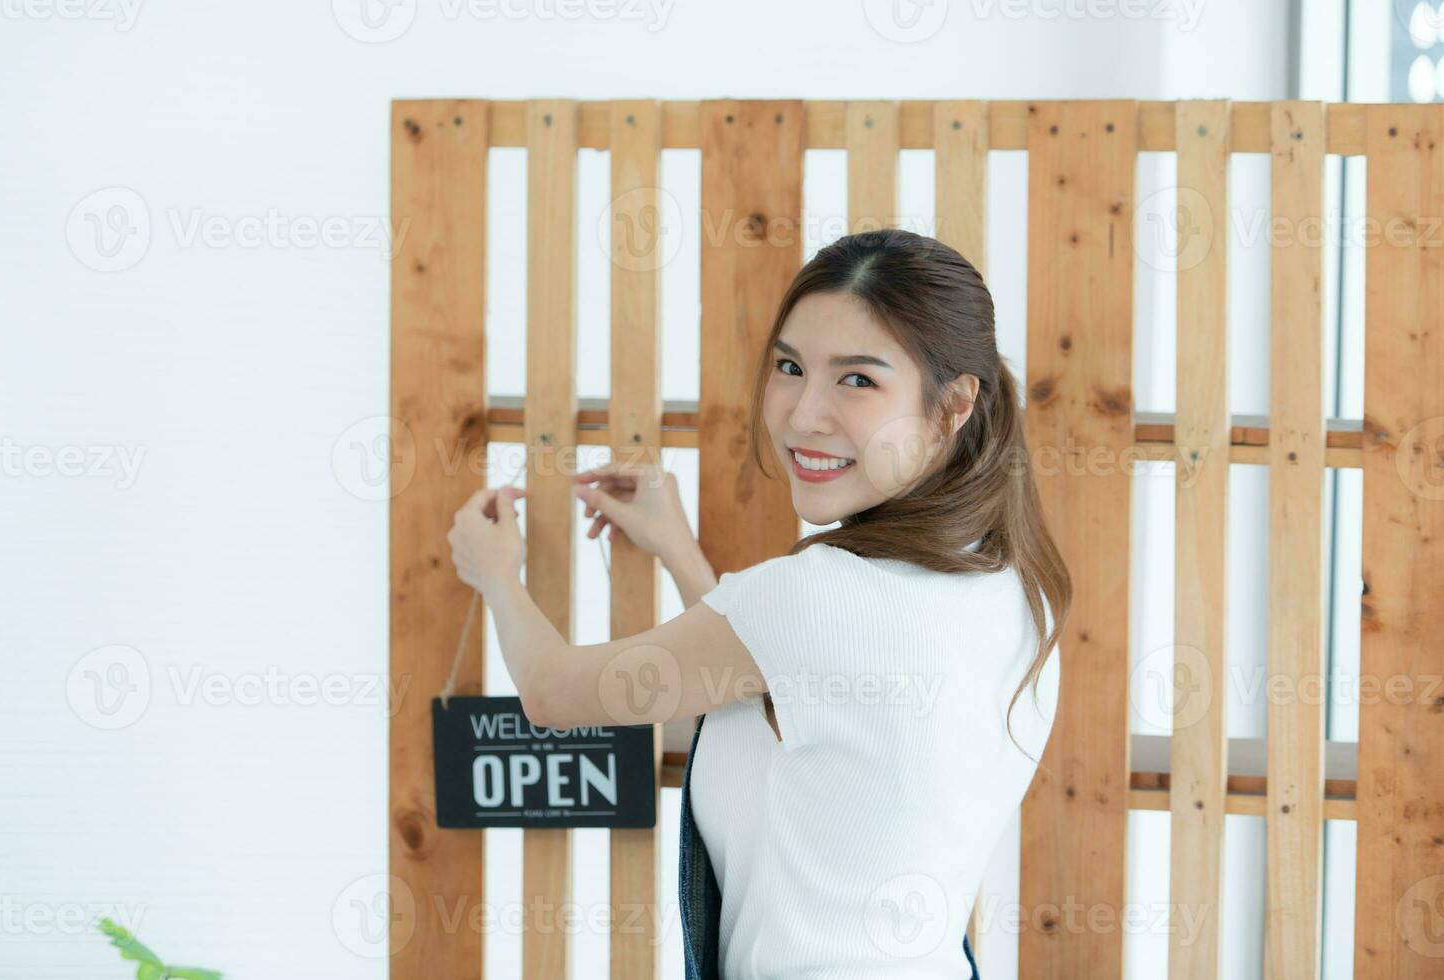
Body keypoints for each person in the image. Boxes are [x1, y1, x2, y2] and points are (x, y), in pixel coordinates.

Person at [448, 228, 1071, 979]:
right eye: (790, 366)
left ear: (953, 403)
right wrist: (680, 553)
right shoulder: (1015, 590)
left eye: (858, 380)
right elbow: (793, 684)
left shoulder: (818, 597)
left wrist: (496, 575)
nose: (804, 415)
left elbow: (553, 693)